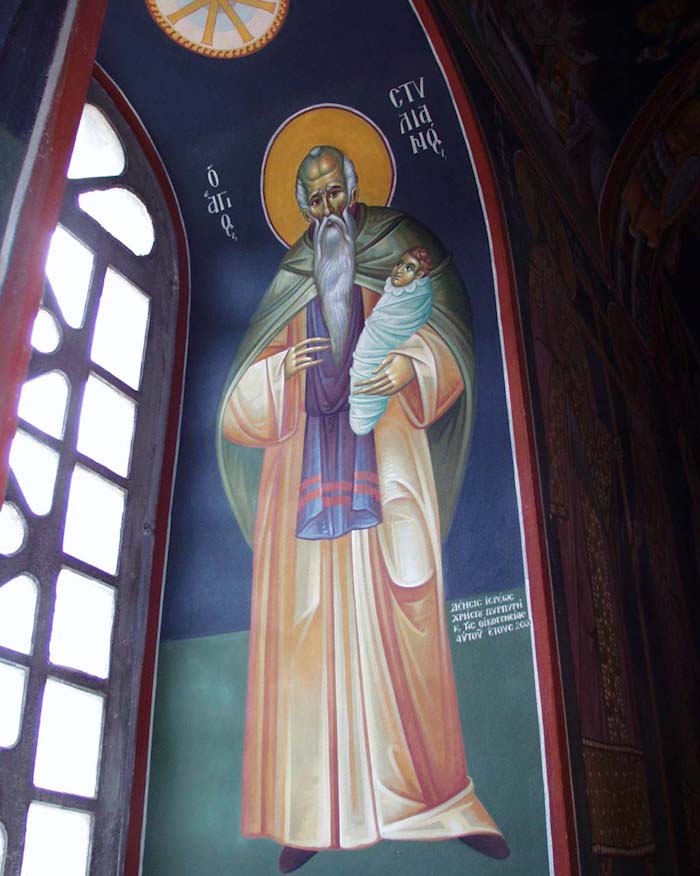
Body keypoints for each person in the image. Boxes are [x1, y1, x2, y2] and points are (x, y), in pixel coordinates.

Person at [216, 145, 508, 872]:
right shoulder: (291, 277)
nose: (325, 210)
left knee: (401, 621)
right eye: (312, 199)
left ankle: (435, 801)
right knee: (307, 638)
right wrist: (277, 377)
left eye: (333, 193)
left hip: (388, 459)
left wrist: (413, 363)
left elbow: (449, 331)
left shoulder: (399, 245)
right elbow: (237, 405)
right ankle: (313, 814)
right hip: (306, 484)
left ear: (353, 189)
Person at [349, 246, 433, 436]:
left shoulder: (418, 299)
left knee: (369, 395)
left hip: (383, 366)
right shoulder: (394, 291)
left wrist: (411, 360)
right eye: (399, 264)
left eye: (409, 268)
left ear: (419, 275)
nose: (400, 270)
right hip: (363, 359)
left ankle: (363, 420)